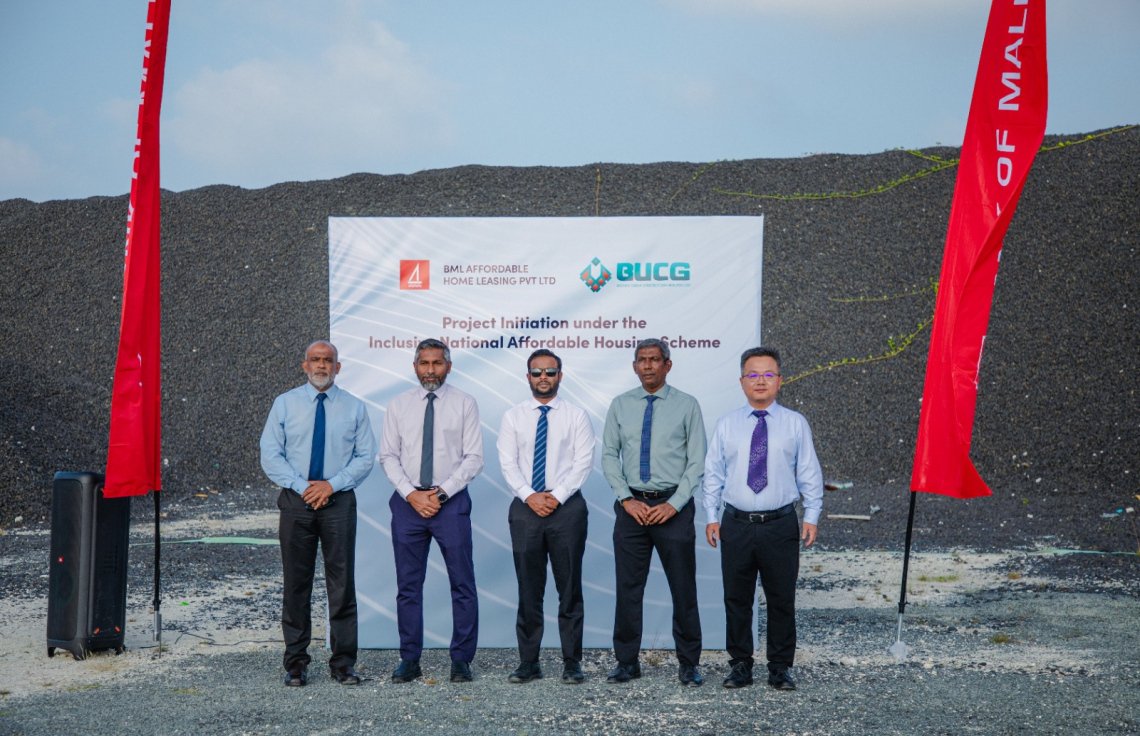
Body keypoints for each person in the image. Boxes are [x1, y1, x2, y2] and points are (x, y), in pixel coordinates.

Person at [703, 347, 823, 691]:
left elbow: (809, 472)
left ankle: (780, 667)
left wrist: (811, 515)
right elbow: (713, 474)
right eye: (753, 375)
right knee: (737, 598)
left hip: (780, 524)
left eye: (768, 375)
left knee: (781, 598)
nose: (760, 381)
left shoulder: (795, 423)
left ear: (780, 381)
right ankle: (740, 664)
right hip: (736, 523)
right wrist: (711, 516)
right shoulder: (727, 424)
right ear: (742, 381)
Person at [259, 340, 376, 687]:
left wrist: (330, 485)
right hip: (297, 501)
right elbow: (271, 454)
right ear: (304, 365)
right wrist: (303, 487)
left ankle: (343, 664)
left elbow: (365, 457)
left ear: (338, 367)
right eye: (315, 360)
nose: (321, 365)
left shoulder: (354, 407)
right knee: (297, 585)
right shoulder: (284, 404)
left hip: (338, 502)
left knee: (342, 585)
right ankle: (295, 663)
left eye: (328, 360)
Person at [601, 338, 706, 687]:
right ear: (634, 366)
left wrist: (674, 504)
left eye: (654, 360)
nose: (647, 366)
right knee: (628, 588)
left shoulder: (687, 405)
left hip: (672, 508)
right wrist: (625, 499)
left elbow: (697, 461)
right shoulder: (620, 405)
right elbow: (608, 456)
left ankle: (689, 663)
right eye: (642, 360)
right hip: (631, 508)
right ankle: (626, 662)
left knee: (683, 588)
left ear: (667, 365)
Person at [379, 338, 484, 684]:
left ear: (448, 367)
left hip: (450, 504)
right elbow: (388, 456)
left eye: (437, 363)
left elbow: (474, 458)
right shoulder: (398, 405)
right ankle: (410, 659)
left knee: (462, 583)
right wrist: (412, 495)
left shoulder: (465, 403)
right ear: (415, 367)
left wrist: (439, 494)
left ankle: (461, 660)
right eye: (424, 363)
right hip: (408, 504)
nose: (430, 370)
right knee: (408, 586)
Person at [497, 349, 595, 685]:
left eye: (550, 372)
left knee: (569, 587)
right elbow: (508, 463)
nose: (543, 378)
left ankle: (572, 662)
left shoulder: (576, 416)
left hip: (566, 509)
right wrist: (530, 496)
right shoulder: (513, 416)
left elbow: (583, 462)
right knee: (529, 587)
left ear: (560, 376)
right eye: (537, 372)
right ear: (528, 377)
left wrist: (556, 496)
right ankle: (529, 662)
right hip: (526, 508)